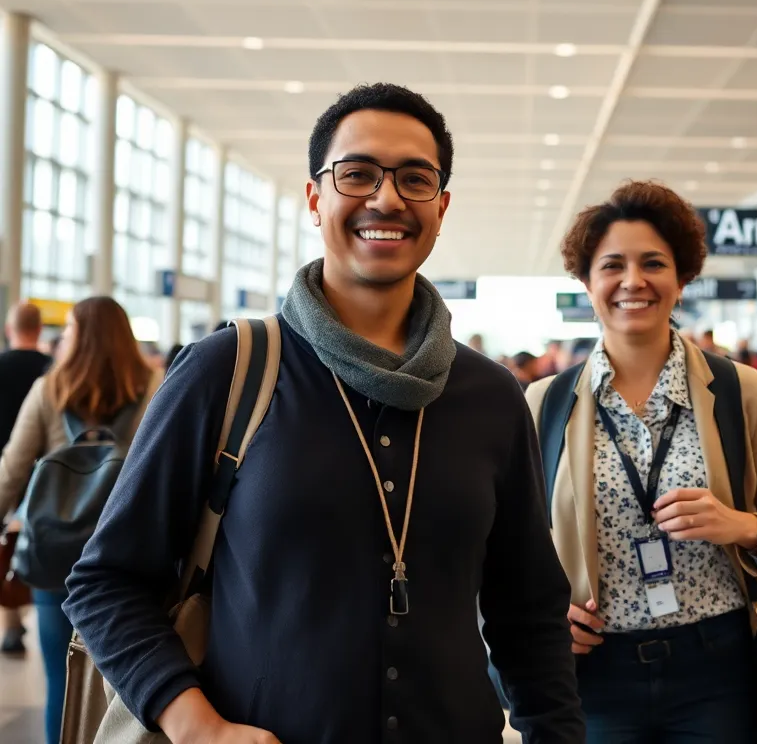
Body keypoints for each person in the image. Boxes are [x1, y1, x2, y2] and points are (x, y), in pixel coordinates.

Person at [64, 84, 583, 743]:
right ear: (316, 198)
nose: (386, 198)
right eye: (357, 174)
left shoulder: (490, 395)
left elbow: (529, 611)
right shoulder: (228, 370)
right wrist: (198, 727)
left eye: (414, 179)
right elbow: (107, 581)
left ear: (441, 206)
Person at [526, 180, 757, 744]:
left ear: (682, 278)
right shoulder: (544, 405)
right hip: (594, 672)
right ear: (586, 281)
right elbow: (505, 551)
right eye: (612, 264)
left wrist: (744, 527)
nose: (633, 281)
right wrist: (543, 617)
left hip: (717, 669)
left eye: (654, 263)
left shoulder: (741, 391)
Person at [0, 297, 161, 744]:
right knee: (127, 687)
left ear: (76, 337)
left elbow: (12, 471)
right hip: (129, 558)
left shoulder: (49, 389)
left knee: (62, 683)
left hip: (57, 560)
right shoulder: (151, 385)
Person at [0, 302, 52, 655]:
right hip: (49, 475)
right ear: (39, 329)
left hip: (8, 466)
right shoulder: (53, 372)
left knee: (7, 544)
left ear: (9, 328)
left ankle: (12, 622)